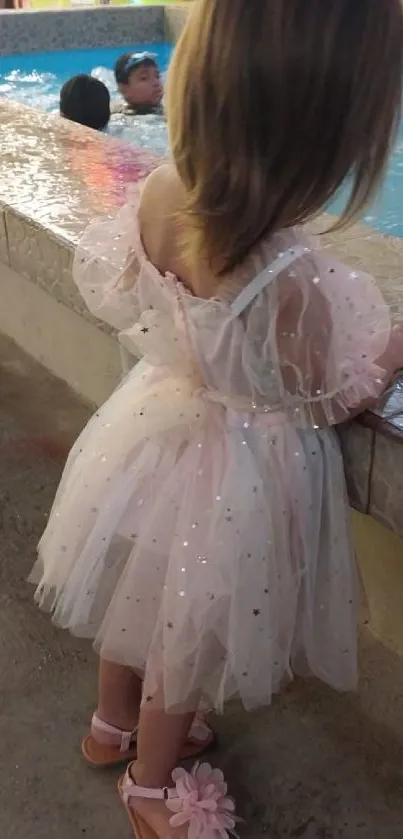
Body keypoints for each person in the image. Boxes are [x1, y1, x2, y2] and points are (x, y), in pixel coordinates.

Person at [31, 1, 403, 837]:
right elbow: (332, 396)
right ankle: (152, 784)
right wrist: (390, 351)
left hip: (159, 425)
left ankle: (109, 726)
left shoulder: (164, 188)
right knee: (188, 633)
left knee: (137, 585)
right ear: (329, 138)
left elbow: (132, 285)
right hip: (242, 467)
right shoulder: (290, 274)